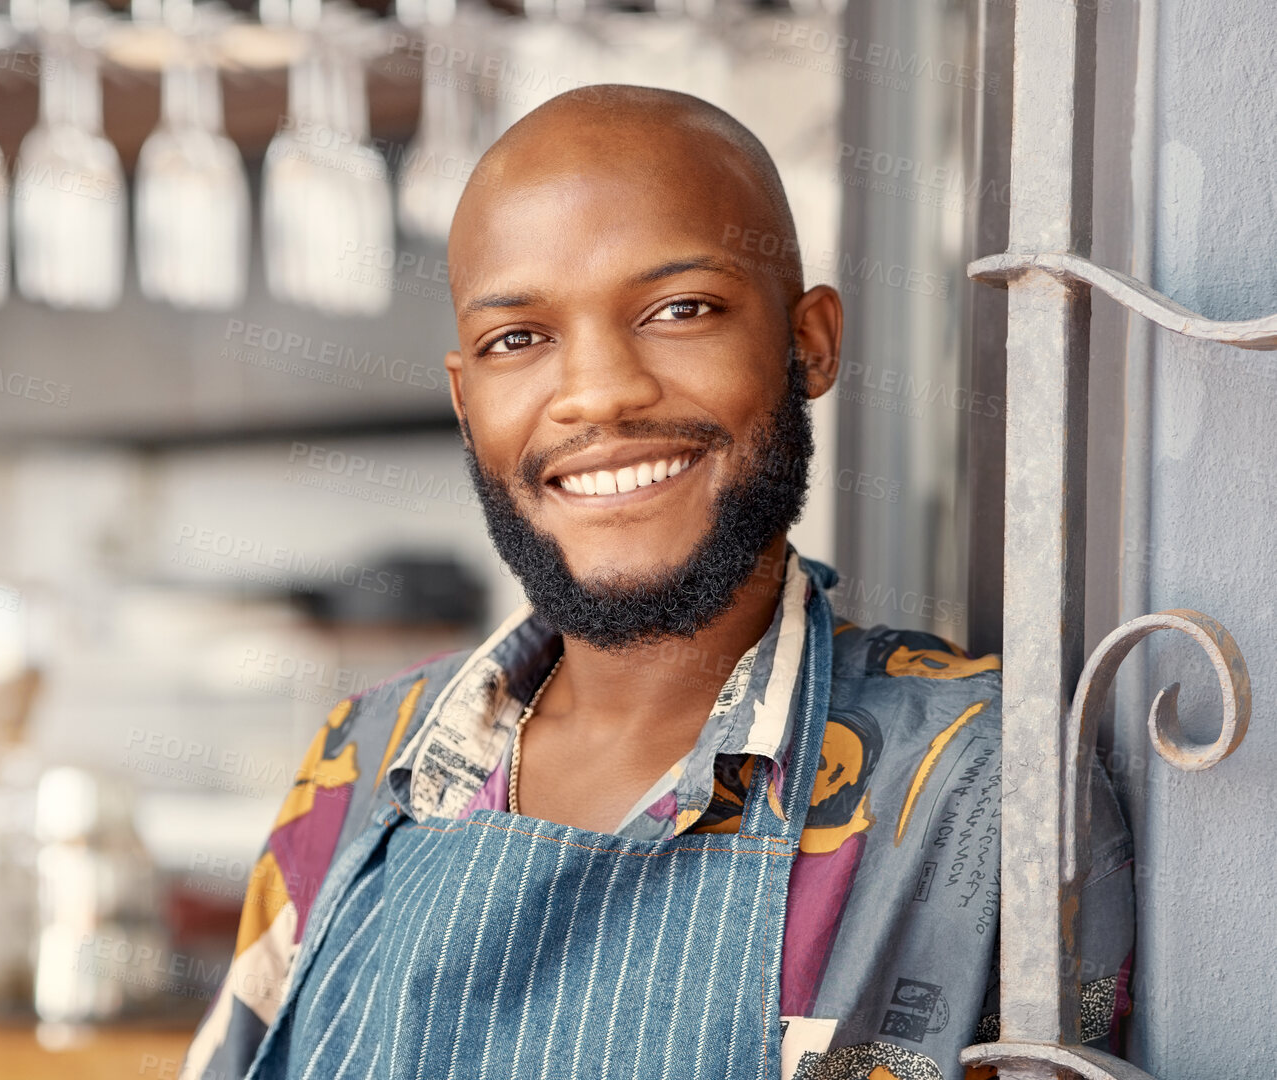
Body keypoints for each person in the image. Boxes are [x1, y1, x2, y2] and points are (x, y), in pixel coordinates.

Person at [178, 85, 1133, 1080]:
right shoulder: (367, 759)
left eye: (681, 309)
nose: (599, 392)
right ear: (467, 401)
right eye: (519, 339)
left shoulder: (982, 794)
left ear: (808, 343)